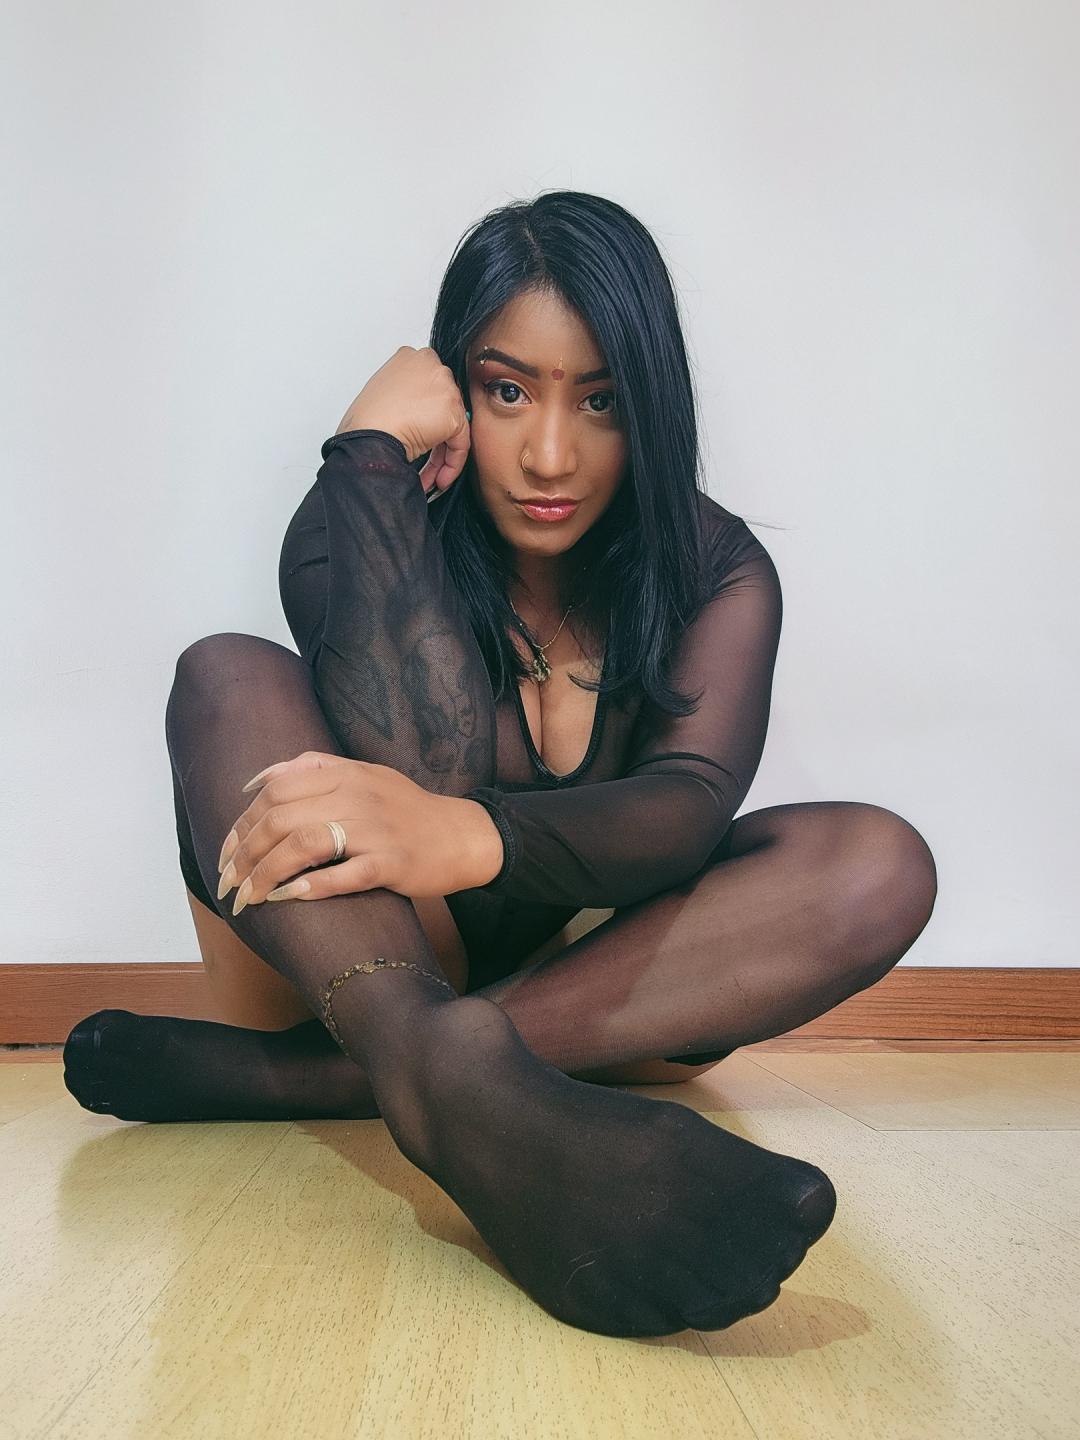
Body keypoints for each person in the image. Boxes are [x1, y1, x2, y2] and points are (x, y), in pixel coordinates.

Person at [62, 191, 938, 1338]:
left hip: (596, 989)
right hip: (361, 956)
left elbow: (686, 808)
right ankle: (428, 1060)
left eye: (601, 400)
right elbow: (415, 756)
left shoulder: (715, 568)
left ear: (652, 406)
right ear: (455, 389)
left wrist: (473, 836)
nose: (551, 455)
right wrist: (368, 455)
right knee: (227, 672)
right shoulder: (358, 514)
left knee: (878, 862)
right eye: (508, 390)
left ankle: (329, 1076)